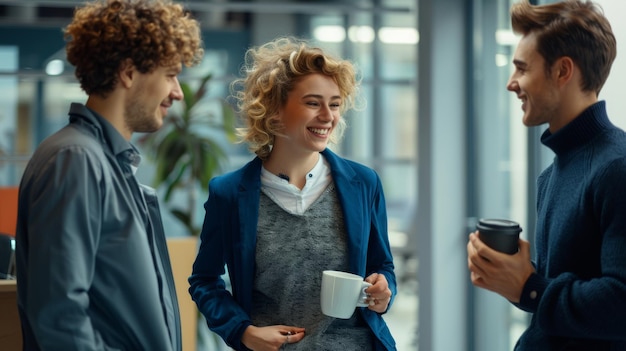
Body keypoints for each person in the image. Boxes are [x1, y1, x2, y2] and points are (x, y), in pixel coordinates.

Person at [14, 0, 203, 349]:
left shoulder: (104, 162)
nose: (177, 92)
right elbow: (61, 317)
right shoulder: (76, 160)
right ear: (128, 72)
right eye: (171, 74)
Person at [188, 36, 397, 351]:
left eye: (335, 104)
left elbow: (383, 267)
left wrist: (383, 292)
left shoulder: (363, 183)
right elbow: (205, 281)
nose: (328, 116)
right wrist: (243, 331)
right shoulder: (229, 193)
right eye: (313, 103)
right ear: (274, 111)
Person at [467, 0, 626, 350]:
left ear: (562, 71)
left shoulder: (618, 167)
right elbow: (561, 295)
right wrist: (515, 277)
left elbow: (620, 303)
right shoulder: (551, 174)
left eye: (522, 68)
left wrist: (530, 286)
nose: (512, 83)